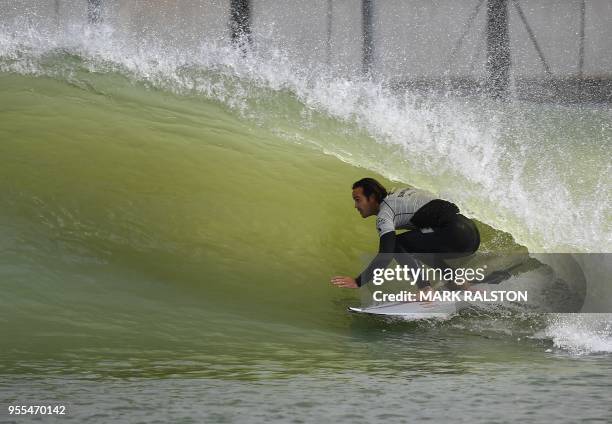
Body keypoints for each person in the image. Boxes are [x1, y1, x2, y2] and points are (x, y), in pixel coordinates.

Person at [331, 177, 480, 294]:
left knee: (398, 244)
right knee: (418, 246)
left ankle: (425, 289)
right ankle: (460, 284)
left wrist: (358, 281)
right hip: (470, 234)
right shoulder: (396, 196)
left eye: (358, 200)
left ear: (372, 197)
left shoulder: (385, 213)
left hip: (455, 235)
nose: (355, 206)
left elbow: (387, 253)